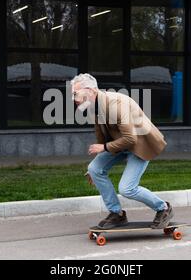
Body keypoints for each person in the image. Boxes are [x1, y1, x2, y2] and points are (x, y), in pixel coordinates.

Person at [70, 73, 173, 230]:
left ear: (90, 90)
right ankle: (117, 214)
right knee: (94, 169)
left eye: (75, 93)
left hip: (139, 144)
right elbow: (101, 136)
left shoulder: (116, 105)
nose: (73, 98)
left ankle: (163, 208)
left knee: (127, 188)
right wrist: (99, 160)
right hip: (119, 143)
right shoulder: (92, 106)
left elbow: (131, 139)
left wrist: (104, 148)